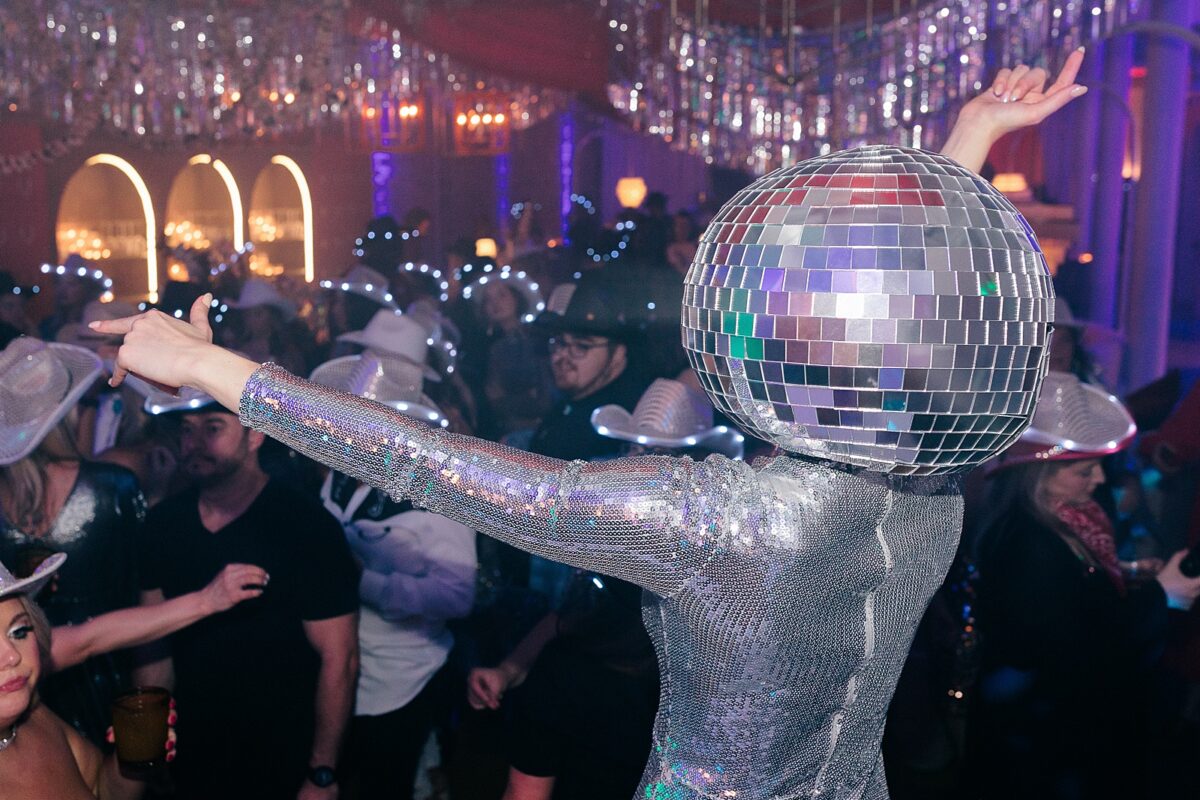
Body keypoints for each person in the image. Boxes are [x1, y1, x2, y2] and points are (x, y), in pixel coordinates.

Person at [96, 54, 1087, 800]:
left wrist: (213, 370)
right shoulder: (931, 491)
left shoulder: (722, 518)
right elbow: (909, 321)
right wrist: (968, 146)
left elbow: (430, 462)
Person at [970, 370, 1200, 798]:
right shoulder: (1030, 543)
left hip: (1059, 733)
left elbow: (1071, 592)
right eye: (1084, 470)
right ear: (1039, 475)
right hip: (1045, 748)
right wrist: (1161, 596)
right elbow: (1078, 649)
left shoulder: (1060, 518)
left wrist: (1126, 573)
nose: (1099, 479)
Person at [135, 388, 359, 800]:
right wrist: (150, 745)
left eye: (213, 428)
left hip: (283, 752)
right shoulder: (163, 523)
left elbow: (339, 659)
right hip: (195, 750)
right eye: (186, 430)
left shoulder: (305, 525)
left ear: (255, 436)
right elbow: (153, 645)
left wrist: (322, 772)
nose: (194, 443)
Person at [310, 352, 475, 800]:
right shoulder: (340, 474)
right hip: (340, 668)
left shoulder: (438, 492)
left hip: (403, 679)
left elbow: (458, 596)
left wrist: (364, 581)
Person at [0, 338, 143, 744]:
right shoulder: (114, 485)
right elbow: (142, 591)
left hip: (17, 680)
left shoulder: (113, 485)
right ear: (70, 410)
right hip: (106, 673)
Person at [0, 553, 164, 800]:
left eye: (19, 631)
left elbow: (102, 789)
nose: (12, 656)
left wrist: (135, 754)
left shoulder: (37, 718)